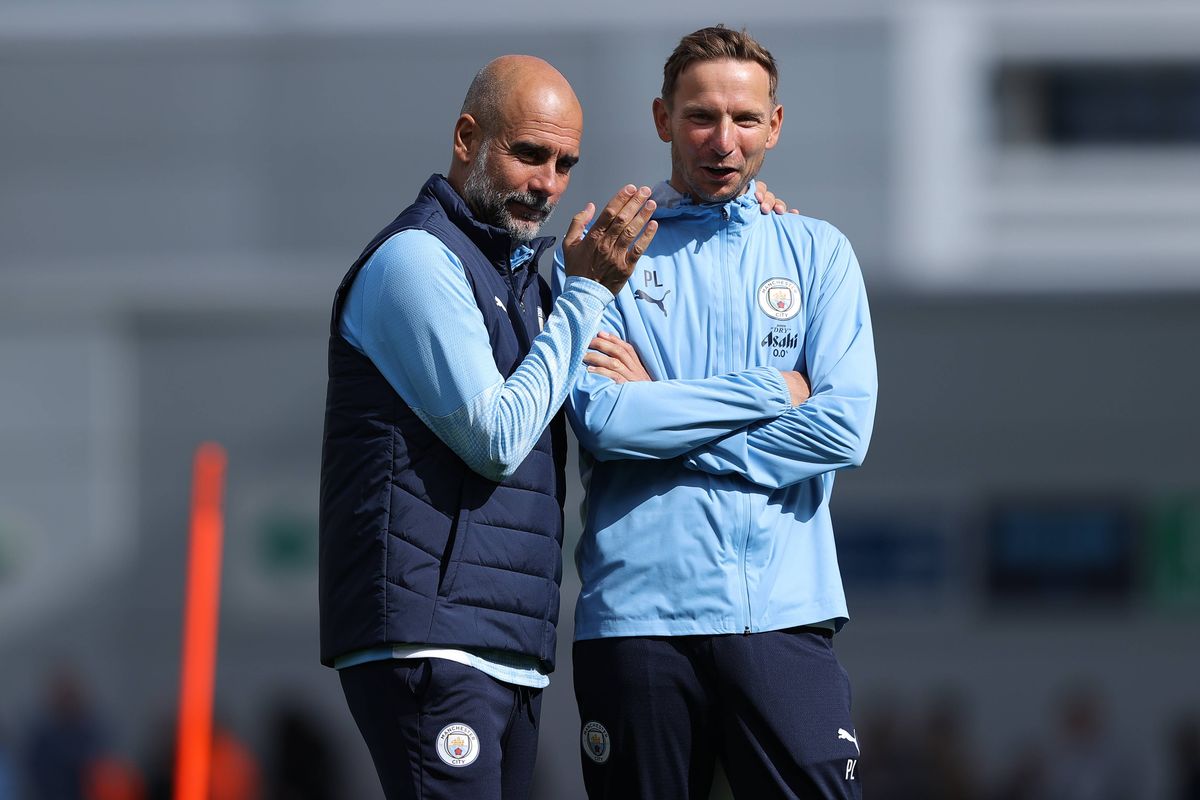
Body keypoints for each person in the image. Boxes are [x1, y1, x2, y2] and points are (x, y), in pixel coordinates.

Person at [317, 54, 662, 800]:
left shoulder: (522, 280)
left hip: (506, 645)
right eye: (529, 153)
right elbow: (497, 439)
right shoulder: (416, 260)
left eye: (566, 163)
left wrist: (760, 215)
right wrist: (587, 296)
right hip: (434, 640)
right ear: (467, 137)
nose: (549, 182)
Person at [555, 26, 878, 799]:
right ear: (664, 118)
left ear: (775, 124)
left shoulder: (817, 251)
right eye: (701, 116)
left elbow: (844, 428)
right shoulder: (610, 255)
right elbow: (603, 419)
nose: (722, 140)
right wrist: (774, 391)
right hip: (637, 617)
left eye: (743, 118)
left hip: (782, 612)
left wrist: (661, 416)